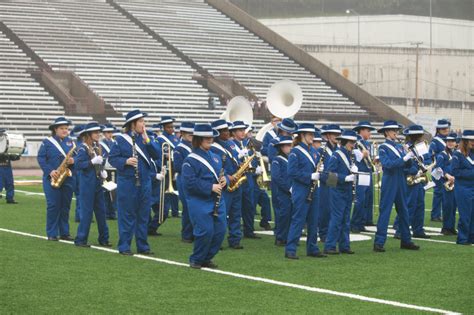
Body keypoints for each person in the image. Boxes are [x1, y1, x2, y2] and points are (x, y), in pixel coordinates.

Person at [109, 109, 160, 255]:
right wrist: (125, 161)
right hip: (128, 182)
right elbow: (112, 158)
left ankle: (142, 246)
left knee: (143, 215)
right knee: (127, 215)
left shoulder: (147, 139)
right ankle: (124, 246)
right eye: (141, 121)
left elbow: (156, 155)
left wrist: (147, 140)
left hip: (145, 182)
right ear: (133, 124)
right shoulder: (120, 139)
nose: (144, 124)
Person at [182, 124, 227, 269]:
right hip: (199, 201)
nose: (210, 139)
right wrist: (210, 187)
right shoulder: (190, 159)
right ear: (198, 139)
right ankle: (196, 258)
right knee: (205, 231)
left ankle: (207, 258)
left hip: (217, 200)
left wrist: (225, 178)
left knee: (220, 231)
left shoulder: (216, 157)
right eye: (206, 137)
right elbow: (189, 183)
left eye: (211, 137)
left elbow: (220, 173)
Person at [373, 120, 419, 252]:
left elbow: (407, 166)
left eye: (397, 130)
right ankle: (379, 242)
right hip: (390, 180)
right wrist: (404, 159)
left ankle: (406, 240)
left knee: (404, 211)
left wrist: (410, 157)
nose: (396, 133)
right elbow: (387, 164)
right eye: (394, 130)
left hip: (401, 180)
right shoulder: (383, 147)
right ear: (387, 132)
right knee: (385, 211)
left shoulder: (400, 147)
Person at [285, 123, 326, 259]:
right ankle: (291, 249)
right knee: (298, 219)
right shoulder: (295, 151)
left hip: (315, 190)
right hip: (301, 190)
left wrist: (320, 172)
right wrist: (309, 176)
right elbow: (291, 172)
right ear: (302, 135)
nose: (312, 137)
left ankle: (312, 248)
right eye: (310, 134)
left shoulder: (314, 151)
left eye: (313, 134)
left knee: (314, 220)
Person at [37, 117, 76, 241]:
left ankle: (64, 232)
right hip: (52, 178)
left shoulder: (72, 142)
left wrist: (73, 160)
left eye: (66, 128)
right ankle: (52, 233)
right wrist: (50, 171)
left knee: (66, 206)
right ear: (55, 129)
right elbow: (41, 158)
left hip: (67, 178)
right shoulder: (47, 142)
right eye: (62, 128)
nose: (65, 130)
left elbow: (78, 159)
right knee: (53, 205)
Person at [74, 122, 111, 247]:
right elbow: (78, 165)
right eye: (95, 132)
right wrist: (91, 161)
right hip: (87, 185)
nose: (98, 134)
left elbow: (98, 164)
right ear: (88, 134)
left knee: (101, 212)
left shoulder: (96, 147)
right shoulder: (83, 148)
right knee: (87, 213)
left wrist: (102, 170)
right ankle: (81, 239)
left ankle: (104, 239)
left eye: (98, 132)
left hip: (97, 184)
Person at [323, 130, 360, 255]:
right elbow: (328, 175)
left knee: (345, 219)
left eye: (354, 142)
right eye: (351, 142)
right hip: (338, 191)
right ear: (344, 142)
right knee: (337, 219)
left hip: (347, 190)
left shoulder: (350, 155)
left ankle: (345, 245)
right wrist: (345, 178)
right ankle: (330, 245)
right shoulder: (337, 154)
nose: (353, 144)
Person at [393, 125, 431, 239]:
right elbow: (402, 164)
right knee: (408, 205)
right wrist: (413, 170)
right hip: (409, 179)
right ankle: (400, 230)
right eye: (418, 136)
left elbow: (428, 159)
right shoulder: (404, 147)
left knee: (420, 205)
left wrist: (424, 166)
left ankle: (418, 229)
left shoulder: (422, 146)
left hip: (419, 178)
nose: (420, 138)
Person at [211, 120, 244, 249]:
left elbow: (236, 159)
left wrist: (241, 165)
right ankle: (217, 240)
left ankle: (235, 240)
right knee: (221, 214)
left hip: (236, 182)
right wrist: (226, 176)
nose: (226, 133)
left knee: (236, 213)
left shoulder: (231, 144)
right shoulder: (213, 147)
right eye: (223, 131)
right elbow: (214, 166)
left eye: (227, 130)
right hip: (224, 184)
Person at [230, 120, 260, 239]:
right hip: (237, 178)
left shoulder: (247, 144)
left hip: (248, 178)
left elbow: (252, 159)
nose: (243, 133)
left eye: (244, 130)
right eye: (240, 130)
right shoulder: (231, 145)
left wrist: (256, 166)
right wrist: (238, 156)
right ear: (234, 132)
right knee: (236, 208)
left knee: (250, 205)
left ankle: (249, 230)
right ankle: (235, 232)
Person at [350, 121, 376, 232]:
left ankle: (363, 221)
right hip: (360, 173)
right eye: (368, 130)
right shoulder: (356, 142)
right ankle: (355, 223)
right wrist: (363, 155)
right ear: (361, 130)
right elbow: (355, 155)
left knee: (367, 199)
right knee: (360, 199)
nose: (369, 133)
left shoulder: (367, 143)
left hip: (368, 172)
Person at [318, 124, 342, 242]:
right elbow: (320, 169)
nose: (337, 137)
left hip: (338, 182)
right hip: (326, 182)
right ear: (327, 136)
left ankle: (333, 234)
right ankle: (323, 233)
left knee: (336, 210)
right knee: (325, 208)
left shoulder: (340, 150)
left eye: (338, 134)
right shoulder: (321, 151)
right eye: (334, 134)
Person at [451, 130, 474, 245]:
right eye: (471, 140)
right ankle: (462, 238)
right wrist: (471, 173)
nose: (473, 142)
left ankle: (471, 237)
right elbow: (455, 171)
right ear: (464, 141)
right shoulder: (457, 154)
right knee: (465, 214)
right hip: (463, 188)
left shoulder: (473, 153)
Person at [174, 122, 195, 242]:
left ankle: (193, 232)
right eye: (188, 134)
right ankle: (186, 234)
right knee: (187, 207)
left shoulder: (195, 147)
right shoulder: (179, 148)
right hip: (183, 179)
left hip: (193, 179)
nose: (191, 136)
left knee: (193, 206)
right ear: (182, 134)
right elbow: (177, 167)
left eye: (192, 133)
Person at [271, 136, 293, 246]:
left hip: (293, 191)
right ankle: (280, 238)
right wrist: (288, 188)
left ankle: (289, 237)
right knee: (284, 215)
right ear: (282, 147)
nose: (290, 147)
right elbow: (276, 177)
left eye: (291, 145)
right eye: (288, 145)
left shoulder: (291, 158)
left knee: (291, 215)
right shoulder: (277, 159)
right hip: (282, 192)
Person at [156, 116, 180, 218]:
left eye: (172, 127)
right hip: (166, 166)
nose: (171, 129)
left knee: (175, 189)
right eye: (169, 127)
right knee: (166, 190)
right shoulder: (160, 139)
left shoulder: (175, 138)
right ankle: (165, 209)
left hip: (175, 165)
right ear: (164, 128)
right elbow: (158, 153)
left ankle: (175, 211)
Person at [436, 132, 458, 235]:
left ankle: (451, 227)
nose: (450, 143)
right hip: (447, 183)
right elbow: (438, 169)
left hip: (455, 183)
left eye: (452, 141)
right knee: (447, 206)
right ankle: (445, 227)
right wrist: (447, 175)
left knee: (453, 206)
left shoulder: (456, 154)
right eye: (448, 141)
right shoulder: (442, 154)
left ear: (456, 142)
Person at [429, 119, 451, 222]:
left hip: (448, 170)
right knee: (438, 193)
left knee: (446, 193)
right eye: (443, 128)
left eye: (447, 127)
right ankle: (435, 215)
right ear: (438, 129)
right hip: (438, 169)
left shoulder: (449, 139)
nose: (446, 129)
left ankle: (441, 214)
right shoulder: (435, 141)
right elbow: (431, 155)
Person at [100, 123, 118, 220]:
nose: (109, 134)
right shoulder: (101, 144)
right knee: (106, 192)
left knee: (114, 192)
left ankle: (113, 212)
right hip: (106, 170)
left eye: (111, 132)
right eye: (107, 132)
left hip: (114, 169)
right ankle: (107, 212)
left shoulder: (114, 142)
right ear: (104, 133)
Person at [0, 128, 20, 204]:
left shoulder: (6, 144)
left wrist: (17, 156)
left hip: (7, 167)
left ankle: (10, 198)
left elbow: (10, 156)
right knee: (0, 183)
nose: (3, 135)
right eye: (1, 133)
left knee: (10, 183)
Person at [70, 124, 84, 222]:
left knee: (81, 194)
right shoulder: (76, 144)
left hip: (78, 170)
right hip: (77, 171)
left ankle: (80, 215)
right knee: (80, 194)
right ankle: (80, 215)